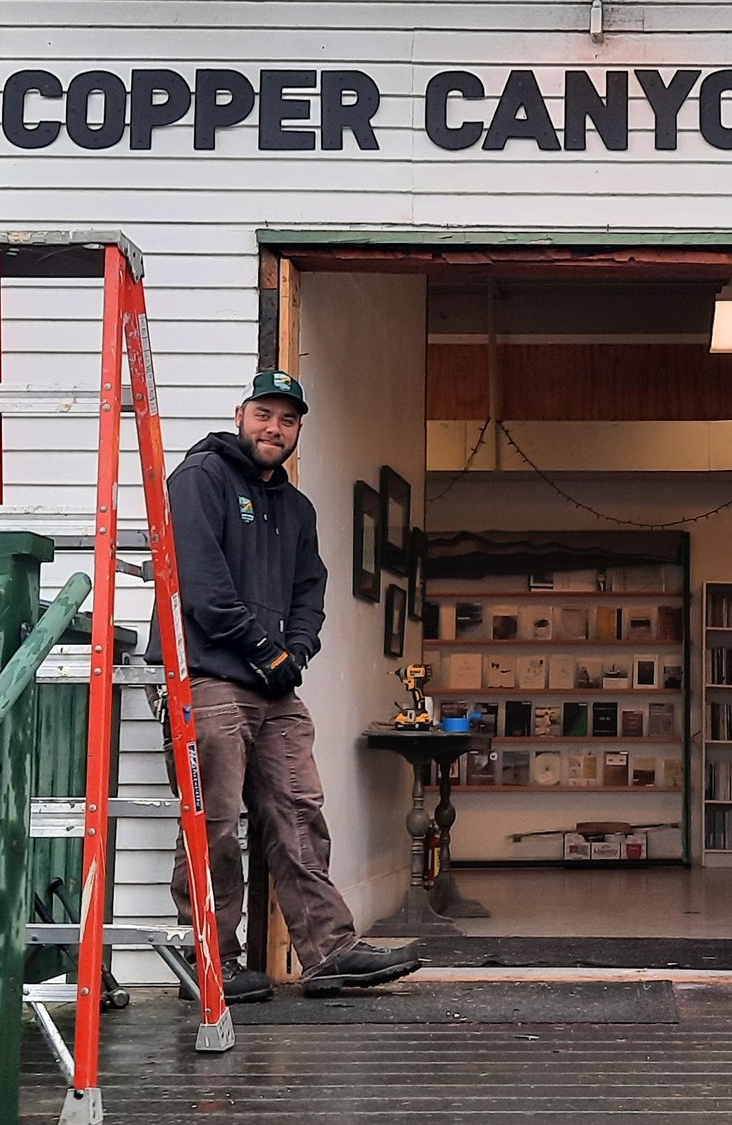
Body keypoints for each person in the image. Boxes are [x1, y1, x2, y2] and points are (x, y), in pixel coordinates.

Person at [161, 369, 422, 1002]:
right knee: (214, 823)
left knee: (299, 813)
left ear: (299, 428)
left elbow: (311, 591)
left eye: (287, 419)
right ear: (239, 414)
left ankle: (329, 952)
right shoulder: (200, 480)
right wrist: (259, 648)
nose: (274, 429)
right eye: (263, 415)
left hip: (275, 690)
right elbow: (201, 585)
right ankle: (209, 957)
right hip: (208, 675)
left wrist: (295, 651)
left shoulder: (296, 508)